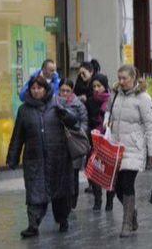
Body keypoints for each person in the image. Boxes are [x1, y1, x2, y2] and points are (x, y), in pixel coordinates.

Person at [7, 76, 75, 238]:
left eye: (39, 88)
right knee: (34, 192)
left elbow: (75, 122)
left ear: (45, 89)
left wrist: (65, 114)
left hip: (58, 158)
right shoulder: (24, 110)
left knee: (60, 192)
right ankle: (33, 225)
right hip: (34, 159)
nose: (36, 91)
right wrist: (13, 157)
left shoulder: (57, 104)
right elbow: (18, 136)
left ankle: (62, 219)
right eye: (33, 88)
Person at [107, 65, 152, 237]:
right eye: (119, 78)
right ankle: (132, 213)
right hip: (116, 147)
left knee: (127, 184)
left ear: (133, 78)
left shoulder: (143, 98)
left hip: (134, 148)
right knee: (116, 188)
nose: (121, 81)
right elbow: (110, 118)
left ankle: (127, 224)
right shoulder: (115, 95)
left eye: (125, 78)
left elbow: (150, 125)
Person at [56, 78, 88, 210]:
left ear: (72, 91)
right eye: (62, 90)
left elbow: (84, 121)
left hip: (73, 142)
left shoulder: (78, 104)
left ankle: (72, 201)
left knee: (73, 174)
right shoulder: (54, 102)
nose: (64, 93)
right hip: (58, 143)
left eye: (67, 91)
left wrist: (79, 133)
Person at [85, 73, 115, 211]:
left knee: (110, 172)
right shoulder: (90, 102)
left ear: (105, 86)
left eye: (99, 86)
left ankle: (109, 201)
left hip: (109, 139)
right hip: (94, 139)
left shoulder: (111, 100)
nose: (96, 89)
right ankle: (98, 200)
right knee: (93, 170)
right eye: (94, 86)